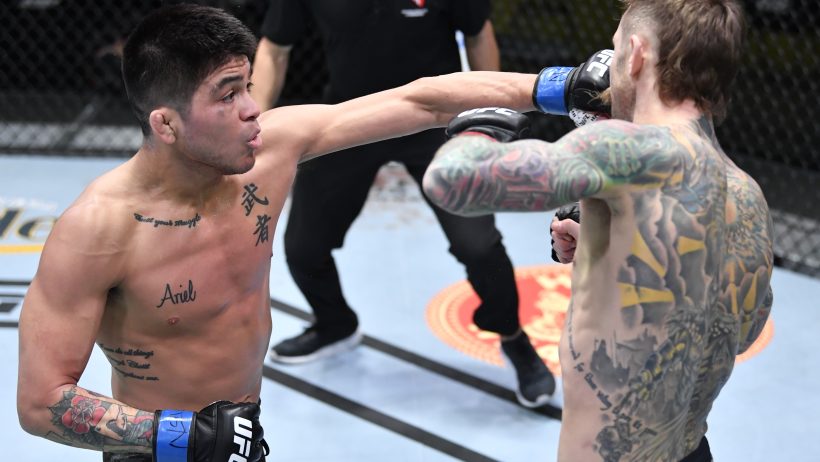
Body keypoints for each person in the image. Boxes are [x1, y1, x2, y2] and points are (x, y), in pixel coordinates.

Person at [15, 4, 562, 461]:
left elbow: (418, 99)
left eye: (248, 87)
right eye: (227, 96)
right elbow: (41, 404)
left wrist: (558, 86)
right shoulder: (98, 229)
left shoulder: (271, 151)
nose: (253, 110)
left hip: (245, 431)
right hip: (156, 449)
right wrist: (187, 437)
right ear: (166, 124)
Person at [422, 0, 774, 460]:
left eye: (615, 49)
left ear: (637, 54)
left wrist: (482, 125)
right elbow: (738, 330)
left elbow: (451, 181)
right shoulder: (746, 195)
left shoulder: (623, 148)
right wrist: (615, 252)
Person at [251, 0, 555, 407]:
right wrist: (252, 128)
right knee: (304, 247)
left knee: (478, 245)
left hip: (438, 120)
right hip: (349, 118)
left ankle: (513, 338)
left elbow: (478, 34)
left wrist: (490, 118)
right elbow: (274, 47)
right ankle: (334, 322)